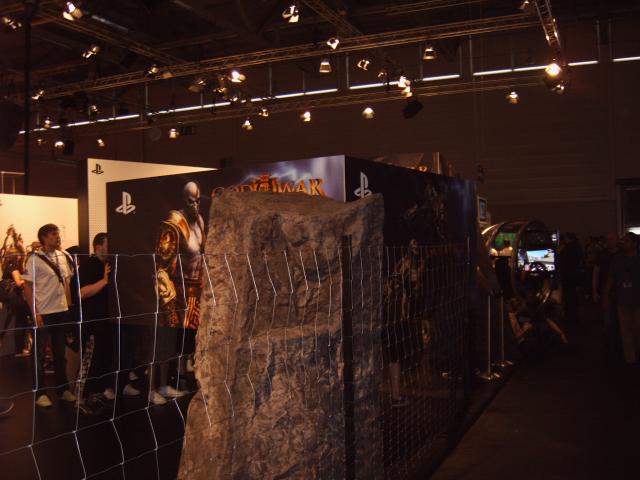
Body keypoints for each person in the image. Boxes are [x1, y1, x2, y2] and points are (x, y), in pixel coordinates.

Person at [150, 181, 205, 404]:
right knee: (162, 343)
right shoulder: (173, 224)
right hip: (176, 291)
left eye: (198, 201)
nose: (195, 206)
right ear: (184, 200)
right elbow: (161, 267)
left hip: (195, 291)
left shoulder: (199, 221)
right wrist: (168, 303)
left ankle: (170, 382)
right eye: (191, 201)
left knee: (182, 343)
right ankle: (154, 387)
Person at [22, 224, 77, 407]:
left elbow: (67, 282)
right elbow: (27, 287)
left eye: (58, 233)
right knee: (38, 355)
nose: (58, 237)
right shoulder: (34, 259)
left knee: (60, 354)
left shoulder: (64, 256)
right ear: (44, 237)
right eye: (54, 234)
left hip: (61, 311)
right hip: (44, 313)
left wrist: (69, 307)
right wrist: (35, 312)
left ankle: (63, 390)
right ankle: (40, 393)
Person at [77, 233, 118, 407]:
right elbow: (83, 293)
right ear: (99, 246)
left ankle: (100, 389)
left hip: (108, 321)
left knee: (105, 356)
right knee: (90, 359)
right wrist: (104, 281)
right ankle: (80, 396)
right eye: (109, 244)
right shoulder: (88, 265)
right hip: (92, 322)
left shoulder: (108, 264)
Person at [606, 232, 640, 365]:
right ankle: (630, 359)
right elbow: (611, 278)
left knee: (637, 329)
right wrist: (606, 295)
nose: (623, 243)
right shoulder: (617, 259)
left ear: (634, 243)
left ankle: (637, 353)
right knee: (625, 330)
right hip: (622, 299)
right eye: (623, 241)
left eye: (627, 241)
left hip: (637, 299)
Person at [558, 232, 584, 323]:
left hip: (567, 275)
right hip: (575, 274)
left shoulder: (567, 248)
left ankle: (570, 316)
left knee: (569, 296)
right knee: (573, 295)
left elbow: (560, 257)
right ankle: (574, 315)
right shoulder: (578, 246)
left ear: (568, 238)